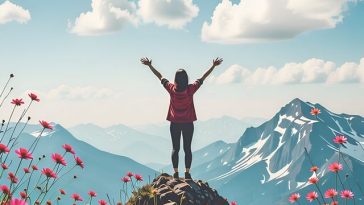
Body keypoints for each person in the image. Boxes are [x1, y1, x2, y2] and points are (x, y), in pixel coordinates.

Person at [140, 57, 223, 179]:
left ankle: (176, 172)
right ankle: (187, 173)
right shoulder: (190, 90)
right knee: (187, 148)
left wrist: (150, 66)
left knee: (175, 148)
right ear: (186, 79)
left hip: (174, 123)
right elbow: (203, 78)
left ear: (176, 79)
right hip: (188, 123)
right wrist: (213, 66)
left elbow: (160, 76)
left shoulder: (172, 89)